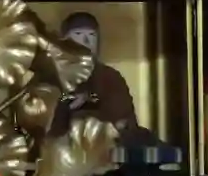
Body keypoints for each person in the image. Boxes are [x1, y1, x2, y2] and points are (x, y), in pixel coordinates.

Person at [57, 12, 146, 142]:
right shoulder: (52, 74)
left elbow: (123, 119)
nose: (86, 41)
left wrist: (90, 100)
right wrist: (67, 105)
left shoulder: (110, 76)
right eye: (78, 34)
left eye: (91, 35)